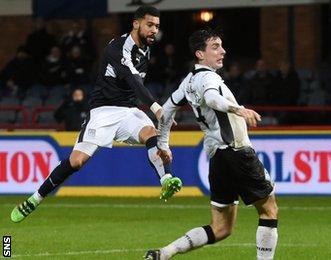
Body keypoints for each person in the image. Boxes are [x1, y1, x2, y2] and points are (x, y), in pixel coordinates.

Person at [10, 6, 182, 223]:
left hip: (128, 111)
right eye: (149, 25)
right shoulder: (118, 48)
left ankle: (166, 179)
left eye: (156, 26)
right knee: (77, 161)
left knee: (150, 133)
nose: (153, 30)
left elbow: (134, 87)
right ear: (136, 23)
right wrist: (158, 108)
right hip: (103, 111)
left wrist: (156, 120)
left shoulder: (146, 49)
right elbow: (133, 80)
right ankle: (34, 199)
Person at [145, 28, 278, 260]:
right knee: (269, 210)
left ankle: (165, 253)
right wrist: (239, 109)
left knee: (221, 229)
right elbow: (211, 98)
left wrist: (163, 144)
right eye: (215, 47)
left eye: (221, 46)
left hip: (217, 158)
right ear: (199, 54)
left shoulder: (188, 81)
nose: (222, 51)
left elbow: (165, 111)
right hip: (237, 153)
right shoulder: (209, 78)